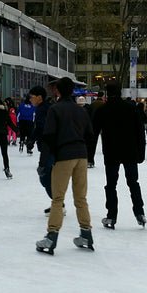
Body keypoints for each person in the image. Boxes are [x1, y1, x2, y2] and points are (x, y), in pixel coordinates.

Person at [36, 76, 94, 254]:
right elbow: (90, 134)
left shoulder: (55, 109)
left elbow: (49, 136)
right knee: (80, 198)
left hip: (64, 156)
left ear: (58, 91)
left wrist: (48, 158)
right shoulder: (80, 111)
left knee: (58, 198)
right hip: (81, 156)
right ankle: (86, 233)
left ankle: (51, 236)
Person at [92, 81, 146, 229]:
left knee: (111, 184)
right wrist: (141, 152)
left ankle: (111, 215)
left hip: (111, 152)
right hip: (130, 151)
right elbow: (140, 132)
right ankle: (140, 212)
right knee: (133, 182)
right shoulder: (131, 108)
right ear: (121, 92)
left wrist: (89, 156)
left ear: (107, 93)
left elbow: (93, 133)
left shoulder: (103, 110)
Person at [29, 85, 57, 211]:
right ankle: (58, 203)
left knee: (45, 176)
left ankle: (58, 204)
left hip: (49, 148)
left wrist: (32, 139)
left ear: (39, 97)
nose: (30, 100)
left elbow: (43, 128)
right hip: (50, 147)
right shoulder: (45, 108)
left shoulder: (43, 109)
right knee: (47, 176)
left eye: (32, 97)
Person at [86, 90, 105, 167]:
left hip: (93, 126)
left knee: (92, 144)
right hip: (102, 126)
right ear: (103, 96)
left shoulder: (92, 104)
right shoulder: (103, 105)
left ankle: (90, 160)